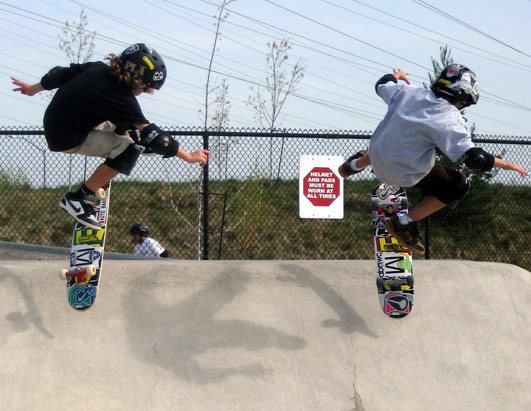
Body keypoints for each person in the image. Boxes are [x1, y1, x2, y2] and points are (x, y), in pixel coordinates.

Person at [12, 43, 210, 230]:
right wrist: (189, 157)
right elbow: (156, 137)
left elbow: (59, 74)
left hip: (59, 121)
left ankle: (132, 142)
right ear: (137, 79)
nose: (142, 93)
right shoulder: (122, 97)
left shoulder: (97, 68)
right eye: (144, 89)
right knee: (129, 150)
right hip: (67, 137)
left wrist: (32, 88)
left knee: (126, 126)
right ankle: (80, 198)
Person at [339, 64, 528, 255]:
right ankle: (405, 223)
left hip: (378, 156)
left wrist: (396, 75)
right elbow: (475, 159)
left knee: (397, 141)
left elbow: (382, 84)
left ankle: (353, 165)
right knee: (459, 185)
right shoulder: (449, 117)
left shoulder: (406, 92)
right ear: (462, 98)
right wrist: (507, 165)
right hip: (404, 174)